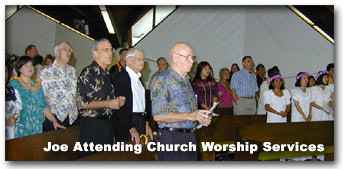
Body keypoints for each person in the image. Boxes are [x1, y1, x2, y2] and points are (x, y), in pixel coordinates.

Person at [151, 42, 212, 161]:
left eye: (193, 58)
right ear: (175, 58)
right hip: (172, 139)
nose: (192, 61)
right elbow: (158, 116)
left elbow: (189, 114)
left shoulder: (187, 81)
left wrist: (199, 118)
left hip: (189, 136)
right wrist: (191, 116)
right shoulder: (162, 80)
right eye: (187, 57)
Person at [77, 39, 126, 157]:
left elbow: (106, 102)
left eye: (111, 50)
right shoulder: (88, 73)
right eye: (106, 50)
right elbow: (82, 103)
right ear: (95, 53)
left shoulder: (106, 74)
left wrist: (117, 102)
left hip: (106, 125)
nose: (110, 53)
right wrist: (109, 103)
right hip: (92, 127)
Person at [8, 56, 65, 138]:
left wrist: (54, 121)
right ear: (19, 68)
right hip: (19, 127)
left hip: (36, 127)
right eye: (26, 65)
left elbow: (43, 106)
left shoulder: (37, 84)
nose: (30, 67)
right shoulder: (13, 84)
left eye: (31, 65)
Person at [112, 48, 153, 144]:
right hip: (128, 122)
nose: (142, 62)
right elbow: (119, 107)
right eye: (139, 59)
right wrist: (130, 127)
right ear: (129, 60)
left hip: (140, 120)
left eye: (143, 59)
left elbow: (142, 103)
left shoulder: (139, 79)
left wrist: (146, 123)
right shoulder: (121, 78)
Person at [39, 42, 79, 131]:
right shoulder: (46, 72)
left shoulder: (73, 71)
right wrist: (53, 119)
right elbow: (43, 99)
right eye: (65, 49)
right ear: (57, 53)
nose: (68, 52)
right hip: (54, 118)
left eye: (70, 50)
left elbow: (75, 94)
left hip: (72, 118)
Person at [5, 62, 22, 140]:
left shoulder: (12, 91)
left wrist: (14, 117)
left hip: (9, 133)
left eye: (5, 71)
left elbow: (18, 110)